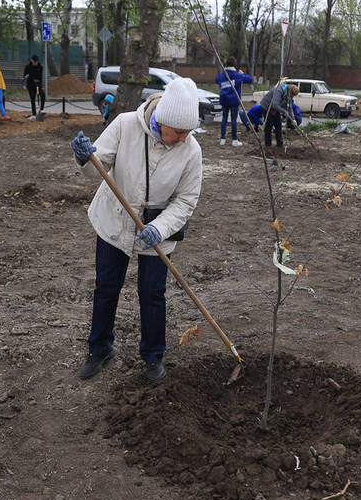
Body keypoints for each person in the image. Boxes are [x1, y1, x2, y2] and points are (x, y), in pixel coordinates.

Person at [70, 76, 203, 382]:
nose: (184, 138)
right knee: (106, 288)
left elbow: (185, 201)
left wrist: (160, 228)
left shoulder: (191, 151)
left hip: (158, 230)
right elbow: (98, 161)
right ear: (162, 120)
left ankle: (153, 356)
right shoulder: (126, 124)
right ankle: (100, 348)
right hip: (115, 219)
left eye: (188, 132)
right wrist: (84, 155)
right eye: (179, 132)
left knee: (152, 294)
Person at [215, 56, 254, 146]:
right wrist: (242, 74)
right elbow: (250, 79)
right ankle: (234, 140)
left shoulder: (222, 75)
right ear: (235, 64)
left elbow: (216, 80)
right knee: (233, 120)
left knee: (224, 119)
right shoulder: (237, 75)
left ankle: (222, 139)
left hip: (224, 100)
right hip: (234, 101)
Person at [258, 82, 298, 151]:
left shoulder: (288, 94)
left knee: (278, 125)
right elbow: (275, 104)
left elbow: (290, 107)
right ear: (289, 91)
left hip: (274, 109)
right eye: (292, 95)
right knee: (269, 125)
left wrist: (293, 119)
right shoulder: (279, 90)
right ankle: (268, 145)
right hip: (266, 106)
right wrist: (284, 111)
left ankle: (279, 144)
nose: (292, 97)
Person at [23, 55, 46, 120]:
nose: (35, 63)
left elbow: (40, 76)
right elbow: (24, 75)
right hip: (30, 85)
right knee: (32, 99)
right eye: (34, 62)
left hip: (38, 85)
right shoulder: (27, 67)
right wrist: (26, 76)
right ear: (31, 60)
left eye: (36, 62)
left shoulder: (40, 67)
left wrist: (40, 85)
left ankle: (41, 110)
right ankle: (34, 113)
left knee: (43, 96)